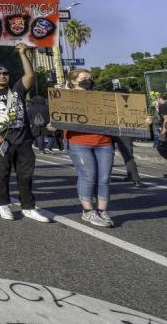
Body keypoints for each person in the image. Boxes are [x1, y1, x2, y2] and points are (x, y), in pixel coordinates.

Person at [0, 43, 51, 223]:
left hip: (23, 139)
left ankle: (28, 207)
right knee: (2, 175)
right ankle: (3, 204)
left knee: (26, 175)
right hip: (1, 140)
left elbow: (30, 75)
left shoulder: (17, 90)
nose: (2, 76)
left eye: (5, 73)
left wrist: (22, 53)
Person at [63, 69, 115, 227]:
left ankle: (102, 211)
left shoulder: (101, 98)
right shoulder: (65, 99)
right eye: (84, 78)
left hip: (104, 142)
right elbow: (56, 118)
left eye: (90, 78)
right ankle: (88, 212)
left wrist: (141, 120)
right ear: (73, 81)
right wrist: (52, 124)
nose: (89, 80)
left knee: (104, 179)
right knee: (88, 176)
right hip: (79, 142)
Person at [155, 94, 167, 176]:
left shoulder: (164, 106)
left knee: (161, 148)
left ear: (160, 98)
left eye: (157, 99)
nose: (156, 100)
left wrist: (163, 133)